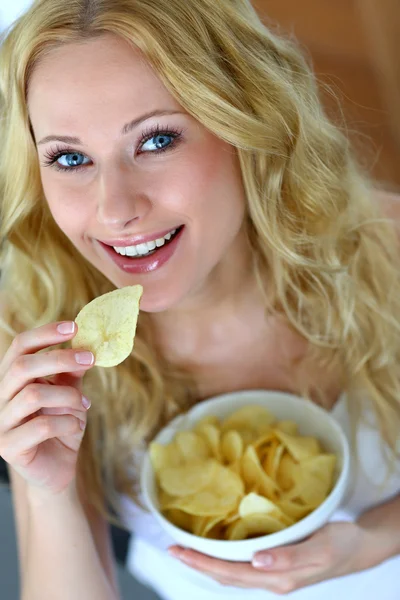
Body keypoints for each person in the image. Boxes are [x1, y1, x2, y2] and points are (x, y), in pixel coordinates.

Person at [0, 0, 399, 598]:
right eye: (70, 157)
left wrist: (371, 541)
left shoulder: (388, 251)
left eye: (157, 139)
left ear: (247, 122)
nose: (115, 209)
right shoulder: (36, 339)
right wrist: (45, 491)